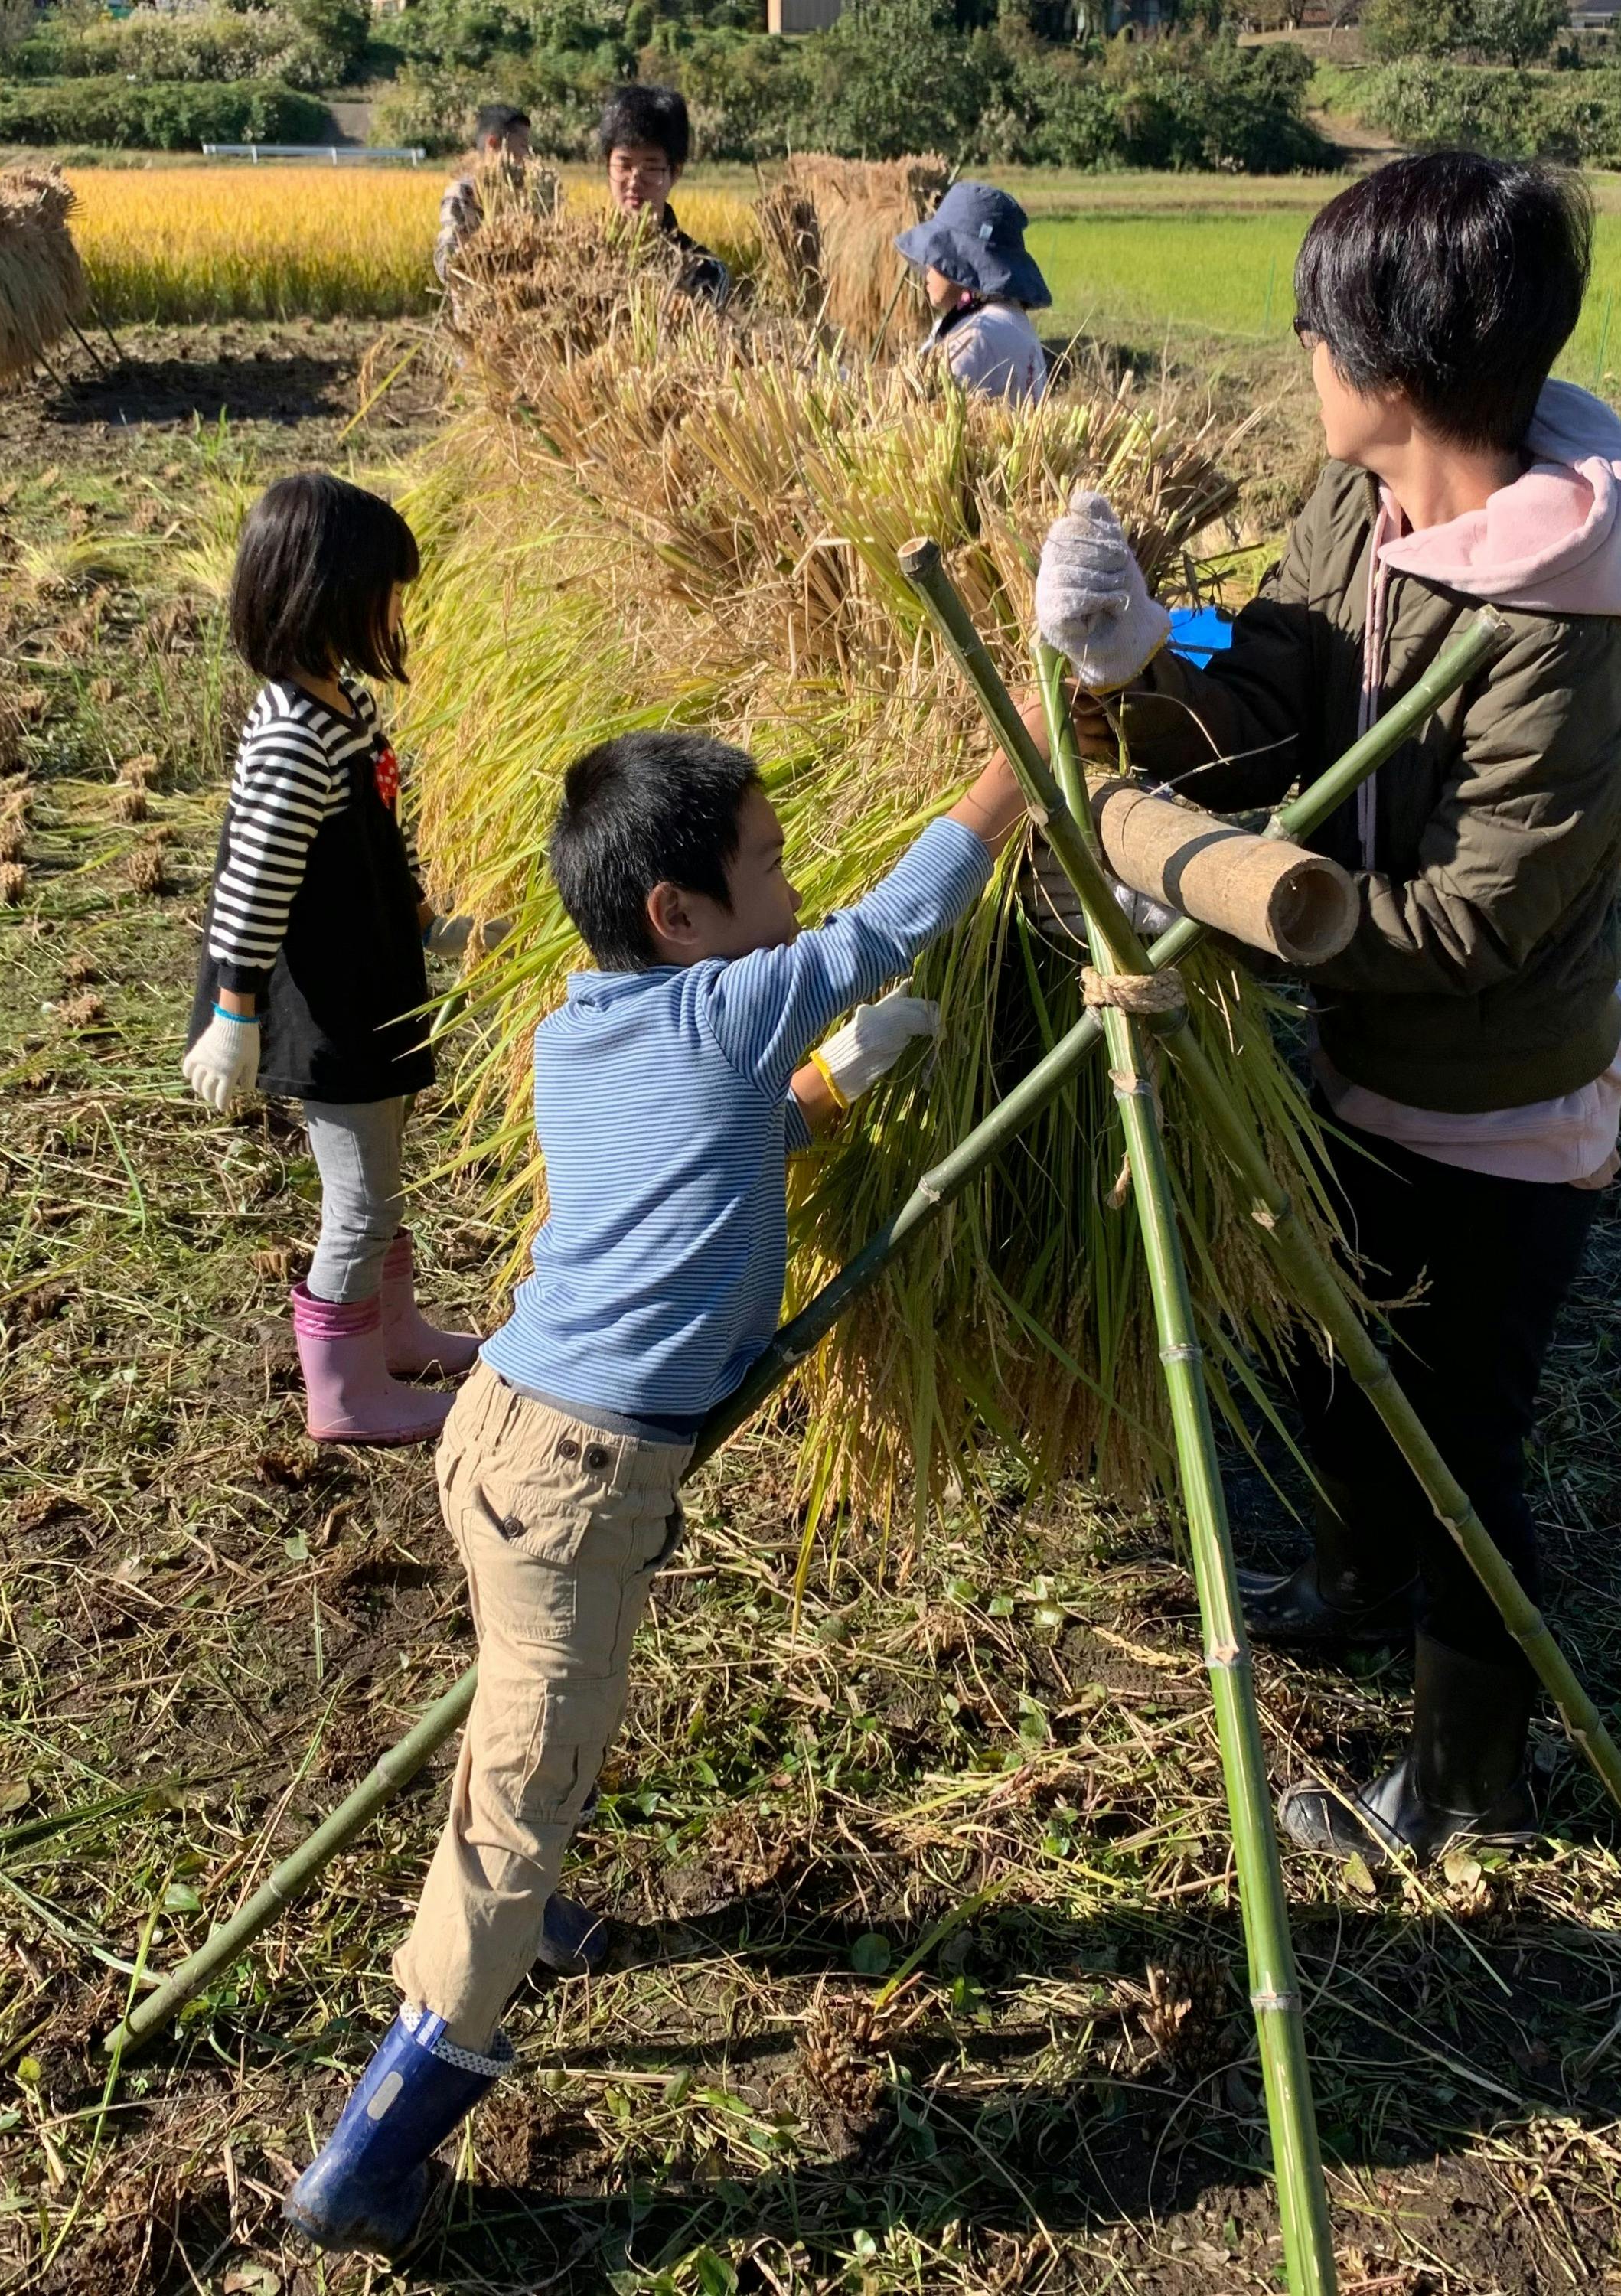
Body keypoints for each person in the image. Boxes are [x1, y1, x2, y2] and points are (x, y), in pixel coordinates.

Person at [282, 729, 1028, 2258]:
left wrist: (822, 1093)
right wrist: (1020, 762)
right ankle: (375, 2153)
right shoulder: (735, 1004)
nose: (795, 882)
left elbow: (694, 1159)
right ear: (680, 913)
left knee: (518, 1719)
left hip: (496, 1432)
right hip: (577, 1481)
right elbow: (889, 925)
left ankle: (526, 1915)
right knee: (517, 1794)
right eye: (765, 867)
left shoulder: (589, 1028)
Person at [1032, 154, 1621, 1867]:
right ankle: (1356, 1570)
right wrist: (1138, 670)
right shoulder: (1361, 516)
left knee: (1458, 1432)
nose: (1297, 356)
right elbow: (1273, 703)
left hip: (1501, 1100)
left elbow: (1471, 928)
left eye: (1312, 329)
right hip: (1368, 1056)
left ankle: (1470, 1778)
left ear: (1384, 367)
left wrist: (1235, 905)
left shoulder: (1555, 639)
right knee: (1330, 1349)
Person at [180, 474, 478, 1449]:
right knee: (360, 1200)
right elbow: (252, 886)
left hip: (373, 982)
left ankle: (392, 1331)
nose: (398, 608)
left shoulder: (342, 706)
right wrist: (234, 1013)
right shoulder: (290, 741)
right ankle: (345, 1390)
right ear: (329, 592)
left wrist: (432, 923)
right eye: (387, 590)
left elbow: (378, 845)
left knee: (383, 1174)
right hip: (324, 1005)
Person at [896, 181, 1052, 403]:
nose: (927, 271)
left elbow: (925, 410)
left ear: (962, 264)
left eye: (937, 259)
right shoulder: (1011, 319)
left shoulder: (977, 334)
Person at [596, 82, 729, 308]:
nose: (635, 181)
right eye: (624, 166)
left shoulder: (707, 270)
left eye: (650, 168)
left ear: (675, 172)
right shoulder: (583, 257)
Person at [434, 101, 535, 280]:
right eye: (522, 146)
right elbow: (445, 261)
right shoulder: (462, 193)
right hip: (476, 302)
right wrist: (481, 255)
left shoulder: (522, 197)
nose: (527, 156)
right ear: (493, 144)